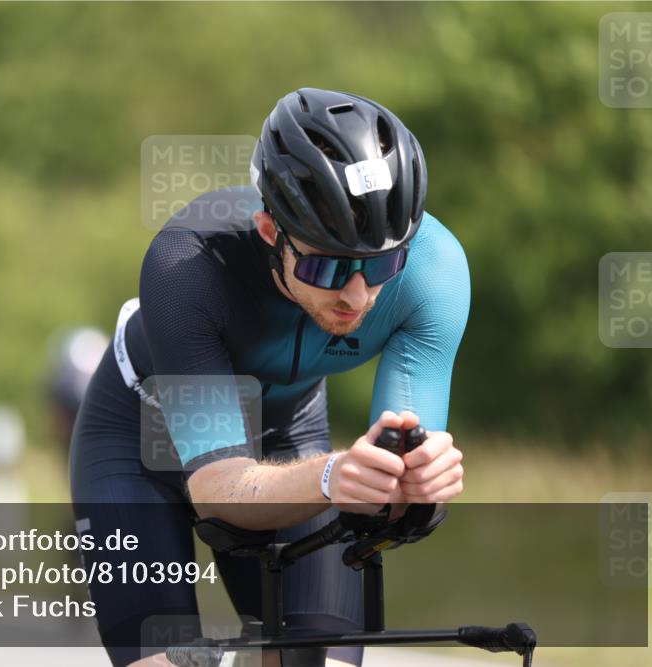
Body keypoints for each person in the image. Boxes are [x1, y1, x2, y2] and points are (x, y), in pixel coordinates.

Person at [70, 88, 470, 667]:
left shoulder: (435, 270)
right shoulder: (187, 263)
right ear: (268, 231)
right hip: (137, 439)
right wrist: (334, 475)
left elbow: (396, 489)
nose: (358, 295)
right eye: (326, 265)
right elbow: (217, 490)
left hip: (287, 432)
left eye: (383, 263)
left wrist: (416, 492)